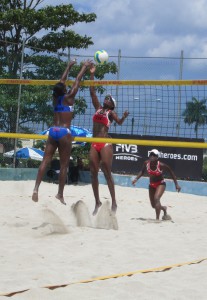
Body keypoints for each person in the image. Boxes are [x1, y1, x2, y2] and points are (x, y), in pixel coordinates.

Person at [32, 59, 92, 204]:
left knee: (45, 161)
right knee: (64, 165)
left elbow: (61, 81)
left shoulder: (55, 98)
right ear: (64, 90)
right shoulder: (69, 97)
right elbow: (77, 79)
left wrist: (69, 66)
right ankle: (60, 194)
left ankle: (35, 189)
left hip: (53, 130)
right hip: (65, 131)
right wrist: (84, 67)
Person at [89, 64, 129, 215]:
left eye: (109, 99)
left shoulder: (111, 113)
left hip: (105, 142)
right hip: (94, 143)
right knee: (93, 172)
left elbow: (118, 122)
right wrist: (92, 74)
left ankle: (114, 202)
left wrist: (124, 117)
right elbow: (92, 92)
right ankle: (97, 202)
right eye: (106, 97)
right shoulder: (98, 107)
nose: (106, 98)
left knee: (106, 171)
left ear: (112, 105)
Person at [132, 149, 181, 220]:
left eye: (154, 155)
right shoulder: (146, 163)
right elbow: (142, 171)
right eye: (151, 154)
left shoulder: (161, 165)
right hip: (151, 184)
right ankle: (163, 208)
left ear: (157, 157)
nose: (152, 156)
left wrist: (176, 184)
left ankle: (157, 219)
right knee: (153, 205)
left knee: (156, 198)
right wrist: (136, 179)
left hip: (160, 184)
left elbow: (171, 172)